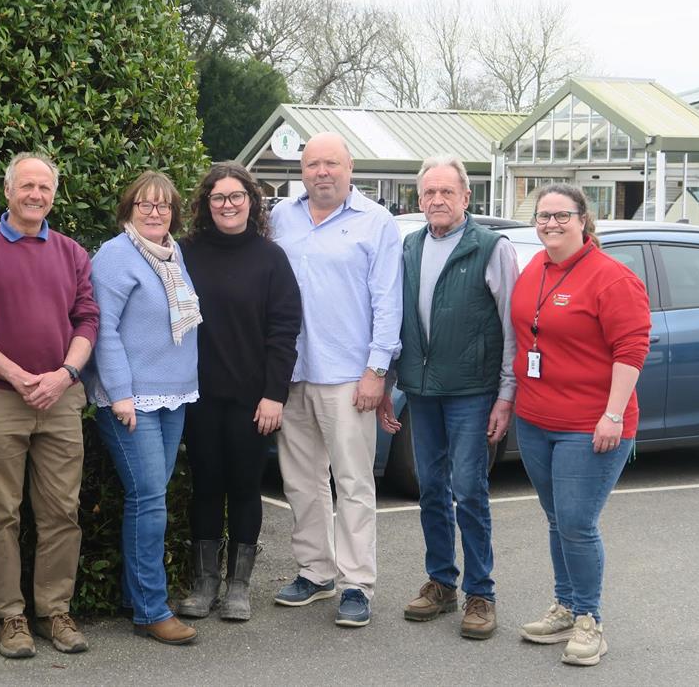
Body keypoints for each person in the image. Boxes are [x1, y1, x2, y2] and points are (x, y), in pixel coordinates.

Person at [0, 153, 99, 658]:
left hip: (60, 398)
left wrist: (64, 375)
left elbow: (87, 320)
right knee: (0, 513)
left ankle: (54, 611)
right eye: (26, 186)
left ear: (53, 194)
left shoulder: (72, 252)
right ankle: (10, 617)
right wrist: (18, 376)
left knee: (62, 511)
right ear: (8, 191)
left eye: (44, 187)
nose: (35, 195)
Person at [379, 154, 519, 640]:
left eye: (446, 192)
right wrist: (388, 382)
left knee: (470, 491)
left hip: (471, 392)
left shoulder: (490, 247)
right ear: (419, 200)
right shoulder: (410, 246)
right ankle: (442, 582)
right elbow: (397, 322)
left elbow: (511, 327)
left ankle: (482, 592)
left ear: (466, 197)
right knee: (431, 491)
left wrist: (506, 394)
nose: (437, 200)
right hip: (422, 390)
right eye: (428, 193)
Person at [511, 184, 650, 666]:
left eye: (561, 216)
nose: (551, 224)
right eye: (543, 216)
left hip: (590, 425)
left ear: (583, 220)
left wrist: (613, 414)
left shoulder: (611, 278)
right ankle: (566, 606)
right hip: (535, 419)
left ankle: (590, 620)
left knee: (576, 522)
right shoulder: (534, 268)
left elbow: (631, 351)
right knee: (557, 520)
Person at [270, 132, 402, 628]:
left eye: (331, 163)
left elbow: (388, 302)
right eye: (312, 165)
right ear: (301, 171)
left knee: (352, 482)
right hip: (292, 373)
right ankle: (315, 570)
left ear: (350, 169)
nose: (321, 172)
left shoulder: (376, 223)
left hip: (350, 377)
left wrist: (376, 371)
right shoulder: (281, 217)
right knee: (301, 482)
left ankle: (356, 584)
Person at [177, 162, 301, 621]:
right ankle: (205, 583)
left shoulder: (271, 259)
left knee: (246, 489)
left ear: (252, 201)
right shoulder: (183, 254)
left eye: (236, 196)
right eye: (218, 198)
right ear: (206, 206)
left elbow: (284, 331)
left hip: (254, 399)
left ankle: (238, 587)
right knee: (206, 488)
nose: (228, 205)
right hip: (199, 395)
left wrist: (275, 394)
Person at [85, 170, 202, 645]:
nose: (156, 214)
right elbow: (104, 330)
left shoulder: (174, 256)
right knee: (150, 499)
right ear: (128, 210)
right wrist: (120, 394)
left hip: (175, 395)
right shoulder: (115, 256)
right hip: (132, 400)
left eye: (164, 206)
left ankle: (137, 599)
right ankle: (152, 610)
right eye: (145, 205)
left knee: (150, 499)